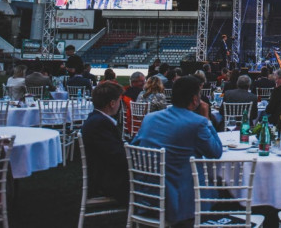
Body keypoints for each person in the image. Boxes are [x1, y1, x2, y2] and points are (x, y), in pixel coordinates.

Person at [131, 76, 222, 226]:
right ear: (194, 99)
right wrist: (207, 119)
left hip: (146, 194)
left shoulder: (149, 118)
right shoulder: (197, 123)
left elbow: (135, 146)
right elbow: (216, 152)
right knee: (219, 187)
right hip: (179, 200)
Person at [81, 82, 129, 204]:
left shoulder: (96, 119)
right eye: (119, 101)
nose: (120, 104)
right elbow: (118, 156)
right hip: (107, 182)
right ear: (112, 103)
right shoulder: (100, 124)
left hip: (104, 174)